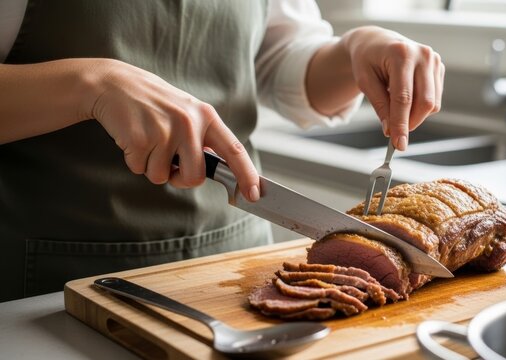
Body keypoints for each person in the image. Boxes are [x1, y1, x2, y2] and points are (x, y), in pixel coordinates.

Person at [0, 0, 444, 302]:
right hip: (45, 285)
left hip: (229, 268)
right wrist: (89, 84)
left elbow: (284, 60)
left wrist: (353, 52)